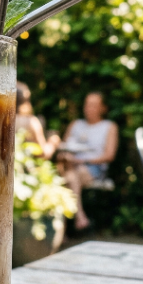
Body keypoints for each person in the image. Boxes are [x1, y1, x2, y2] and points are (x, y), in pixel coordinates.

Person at [58, 91, 118, 230]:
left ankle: (63, 228)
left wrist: (82, 161)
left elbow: (109, 155)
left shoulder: (109, 126)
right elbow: (64, 148)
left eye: (93, 105)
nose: (88, 108)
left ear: (103, 108)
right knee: (70, 175)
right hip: (70, 166)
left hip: (93, 167)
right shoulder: (75, 124)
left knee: (69, 177)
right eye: (87, 104)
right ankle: (80, 218)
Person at [14, 82, 61, 159]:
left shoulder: (3, 121)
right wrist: (53, 142)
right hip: (26, 168)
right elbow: (42, 154)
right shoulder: (31, 122)